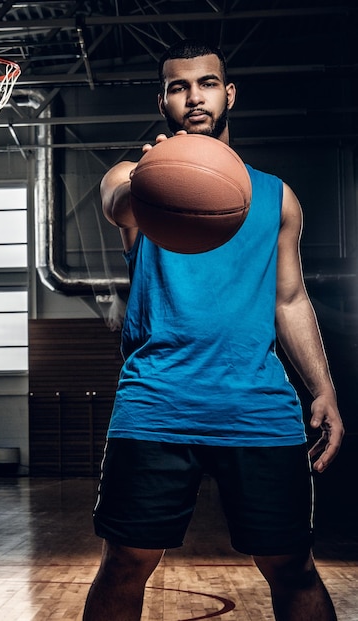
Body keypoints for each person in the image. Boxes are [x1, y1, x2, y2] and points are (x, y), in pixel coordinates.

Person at [83, 39, 344, 621]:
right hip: (156, 402)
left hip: (257, 405)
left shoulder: (276, 196)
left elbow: (290, 296)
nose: (192, 96)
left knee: (293, 565)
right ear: (163, 100)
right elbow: (118, 206)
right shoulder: (135, 176)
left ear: (228, 94)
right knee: (125, 561)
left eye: (205, 83)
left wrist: (322, 388)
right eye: (178, 87)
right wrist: (153, 179)